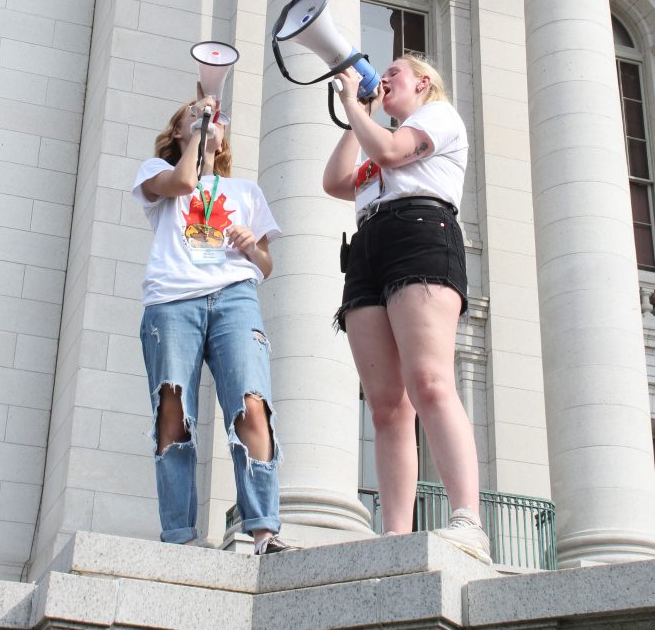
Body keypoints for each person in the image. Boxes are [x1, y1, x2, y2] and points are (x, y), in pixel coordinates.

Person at [323, 53, 491, 564]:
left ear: (422, 82)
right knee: (386, 405)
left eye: (394, 72)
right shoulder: (377, 137)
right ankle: (396, 533)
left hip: (421, 233)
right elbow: (334, 182)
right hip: (370, 244)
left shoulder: (436, 117)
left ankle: (467, 520)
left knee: (430, 381)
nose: (385, 77)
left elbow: (395, 152)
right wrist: (357, 114)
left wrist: (358, 106)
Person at [133, 92, 292, 554]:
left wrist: (251, 246)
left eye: (215, 118)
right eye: (196, 117)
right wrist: (200, 128)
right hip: (171, 301)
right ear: (179, 132)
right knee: (173, 414)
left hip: (234, 298)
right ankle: (180, 536)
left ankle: (264, 529)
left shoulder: (245, 192)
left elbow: (265, 265)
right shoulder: (155, 173)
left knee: (251, 402)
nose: (209, 121)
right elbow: (184, 182)